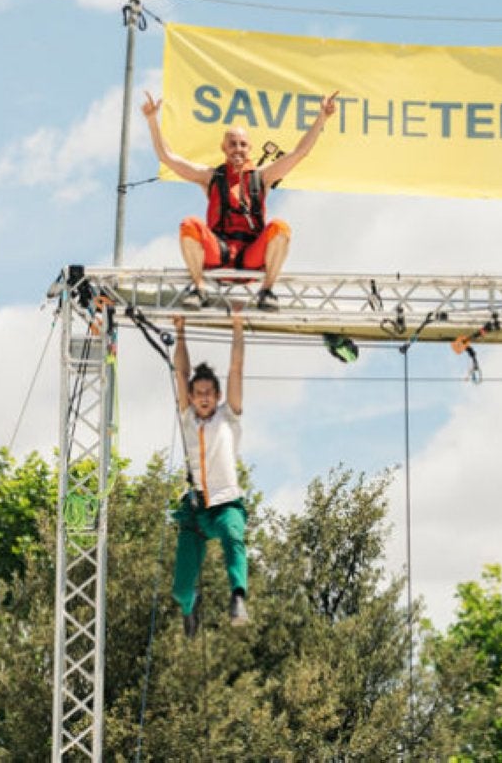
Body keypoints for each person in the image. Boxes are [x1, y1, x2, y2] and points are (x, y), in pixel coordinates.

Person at [142, 90, 339, 310]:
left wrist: (322, 117)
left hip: (251, 256)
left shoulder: (262, 177)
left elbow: (299, 153)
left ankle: (266, 291)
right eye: (233, 144)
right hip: (220, 252)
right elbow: (167, 157)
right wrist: (152, 120)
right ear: (224, 148)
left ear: (250, 149)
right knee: (189, 224)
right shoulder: (211, 177)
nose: (238, 149)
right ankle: (199, 289)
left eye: (243, 145)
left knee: (280, 228)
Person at [172, 313, 250, 635]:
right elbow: (181, 372)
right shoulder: (188, 419)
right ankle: (189, 607)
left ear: (217, 397)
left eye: (209, 392)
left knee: (234, 535)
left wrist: (237, 327)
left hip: (226, 503)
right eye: (198, 392)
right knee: (180, 585)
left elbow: (235, 371)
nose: (203, 397)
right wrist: (180, 331)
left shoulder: (228, 417)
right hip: (196, 508)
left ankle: (238, 596)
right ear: (190, 397)